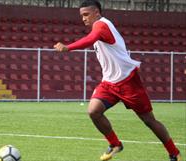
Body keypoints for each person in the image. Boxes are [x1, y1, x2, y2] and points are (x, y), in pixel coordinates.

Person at [54, 1, 181, 161]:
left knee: (149, 120)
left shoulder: (101, 25)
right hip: (109, 83)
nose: (83, 19)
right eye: (81, 16)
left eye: (86, 14)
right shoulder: (98, 26)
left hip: (128, 81)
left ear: (97, 13)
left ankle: (173, 151)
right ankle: (115, 144)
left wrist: (68, 47)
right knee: (94, 111)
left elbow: (90, 39)